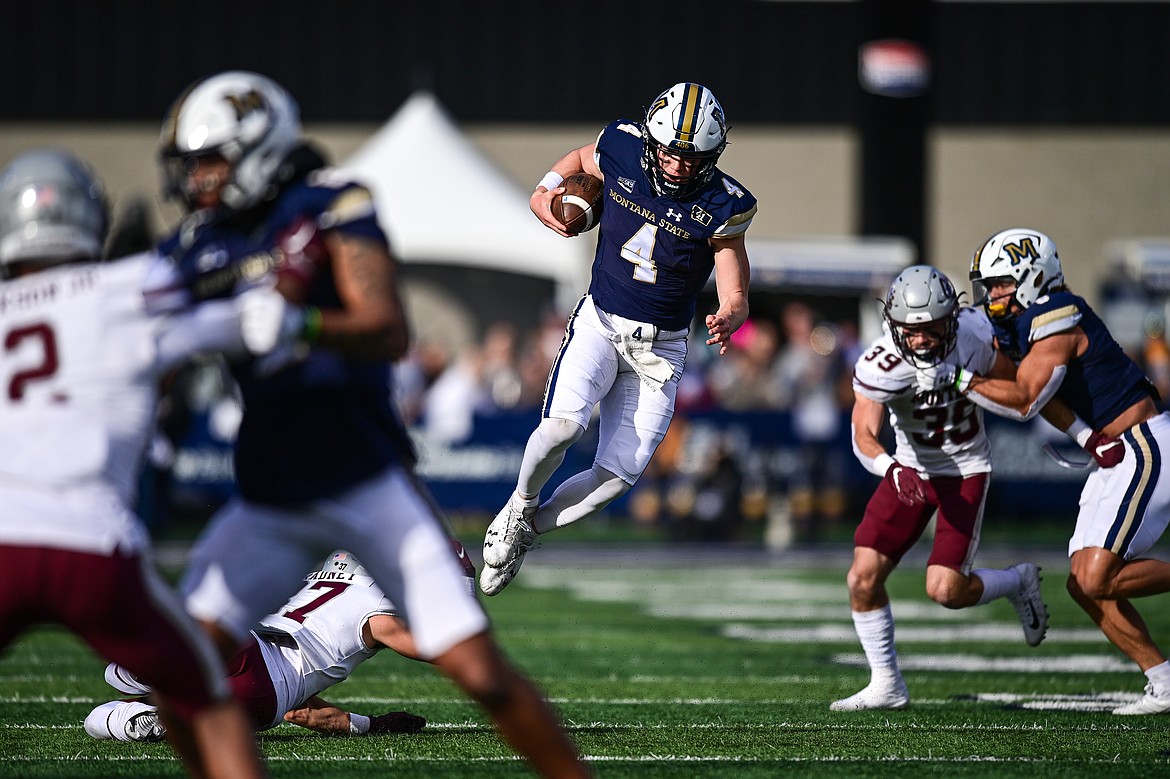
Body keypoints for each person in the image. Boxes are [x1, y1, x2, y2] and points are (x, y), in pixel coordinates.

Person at [149, 71, 590, 776]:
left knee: (481, 671)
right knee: (181, 673)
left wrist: (305, 321)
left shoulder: (334, 208)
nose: (198, 179)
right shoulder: (202, 244)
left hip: (366, 478)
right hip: (270, 491)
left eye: (212, 161)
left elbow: (385, 328)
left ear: (255, 152)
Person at [0, 149, 267, 777]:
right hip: (93, 546)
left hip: (3, 537)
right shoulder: (129, 285)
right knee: (208, 706)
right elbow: (240, 318)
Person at [480, 81, 757, 595]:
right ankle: (518, 504)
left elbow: (734, 284)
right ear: (653, 140)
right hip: (601, 324)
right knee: (563, 428)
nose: (677, 165)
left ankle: (525, 532)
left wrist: (731, 311)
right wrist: (545, 190)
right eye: (670, 152)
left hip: (661, 351)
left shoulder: (723, 203)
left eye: (691, 158)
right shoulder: (624, 145)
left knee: (614, 480)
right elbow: (583, 157)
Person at [921, 227, 1170, 716]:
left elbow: (1026, 397)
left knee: (1098, 577)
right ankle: (1163, 681)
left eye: (999, 284)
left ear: (1032, 277)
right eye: (986, 285)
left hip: (1145, 442)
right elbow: (1043, 396)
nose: (990, 295)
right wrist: (1083, 436)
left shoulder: (1057, 314)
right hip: (1115, 448)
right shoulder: (1022, 323)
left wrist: (956, 377)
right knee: (1082, 584)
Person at [835, 265, 1051, 711]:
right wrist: (890, 468)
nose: (920, 340)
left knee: (946, 590)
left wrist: (961, 380)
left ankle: (1016, 580)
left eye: (931, 328)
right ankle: (887, 684)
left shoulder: (974, 335)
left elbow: (1020, 393)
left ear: (951, 318)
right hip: (910, 470)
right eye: (910, 330)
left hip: (965, 468)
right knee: (862, 578)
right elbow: (863, 434)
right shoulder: (881, 363)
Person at [85, 548, 475, 741]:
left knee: (112, 692)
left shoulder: (327, 584)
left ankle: (145, 670)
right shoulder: (377, 611)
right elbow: (448, 650)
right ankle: (144, 708)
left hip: (247, 653)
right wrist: (369, 725)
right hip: (267, 703)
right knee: (101, 719)